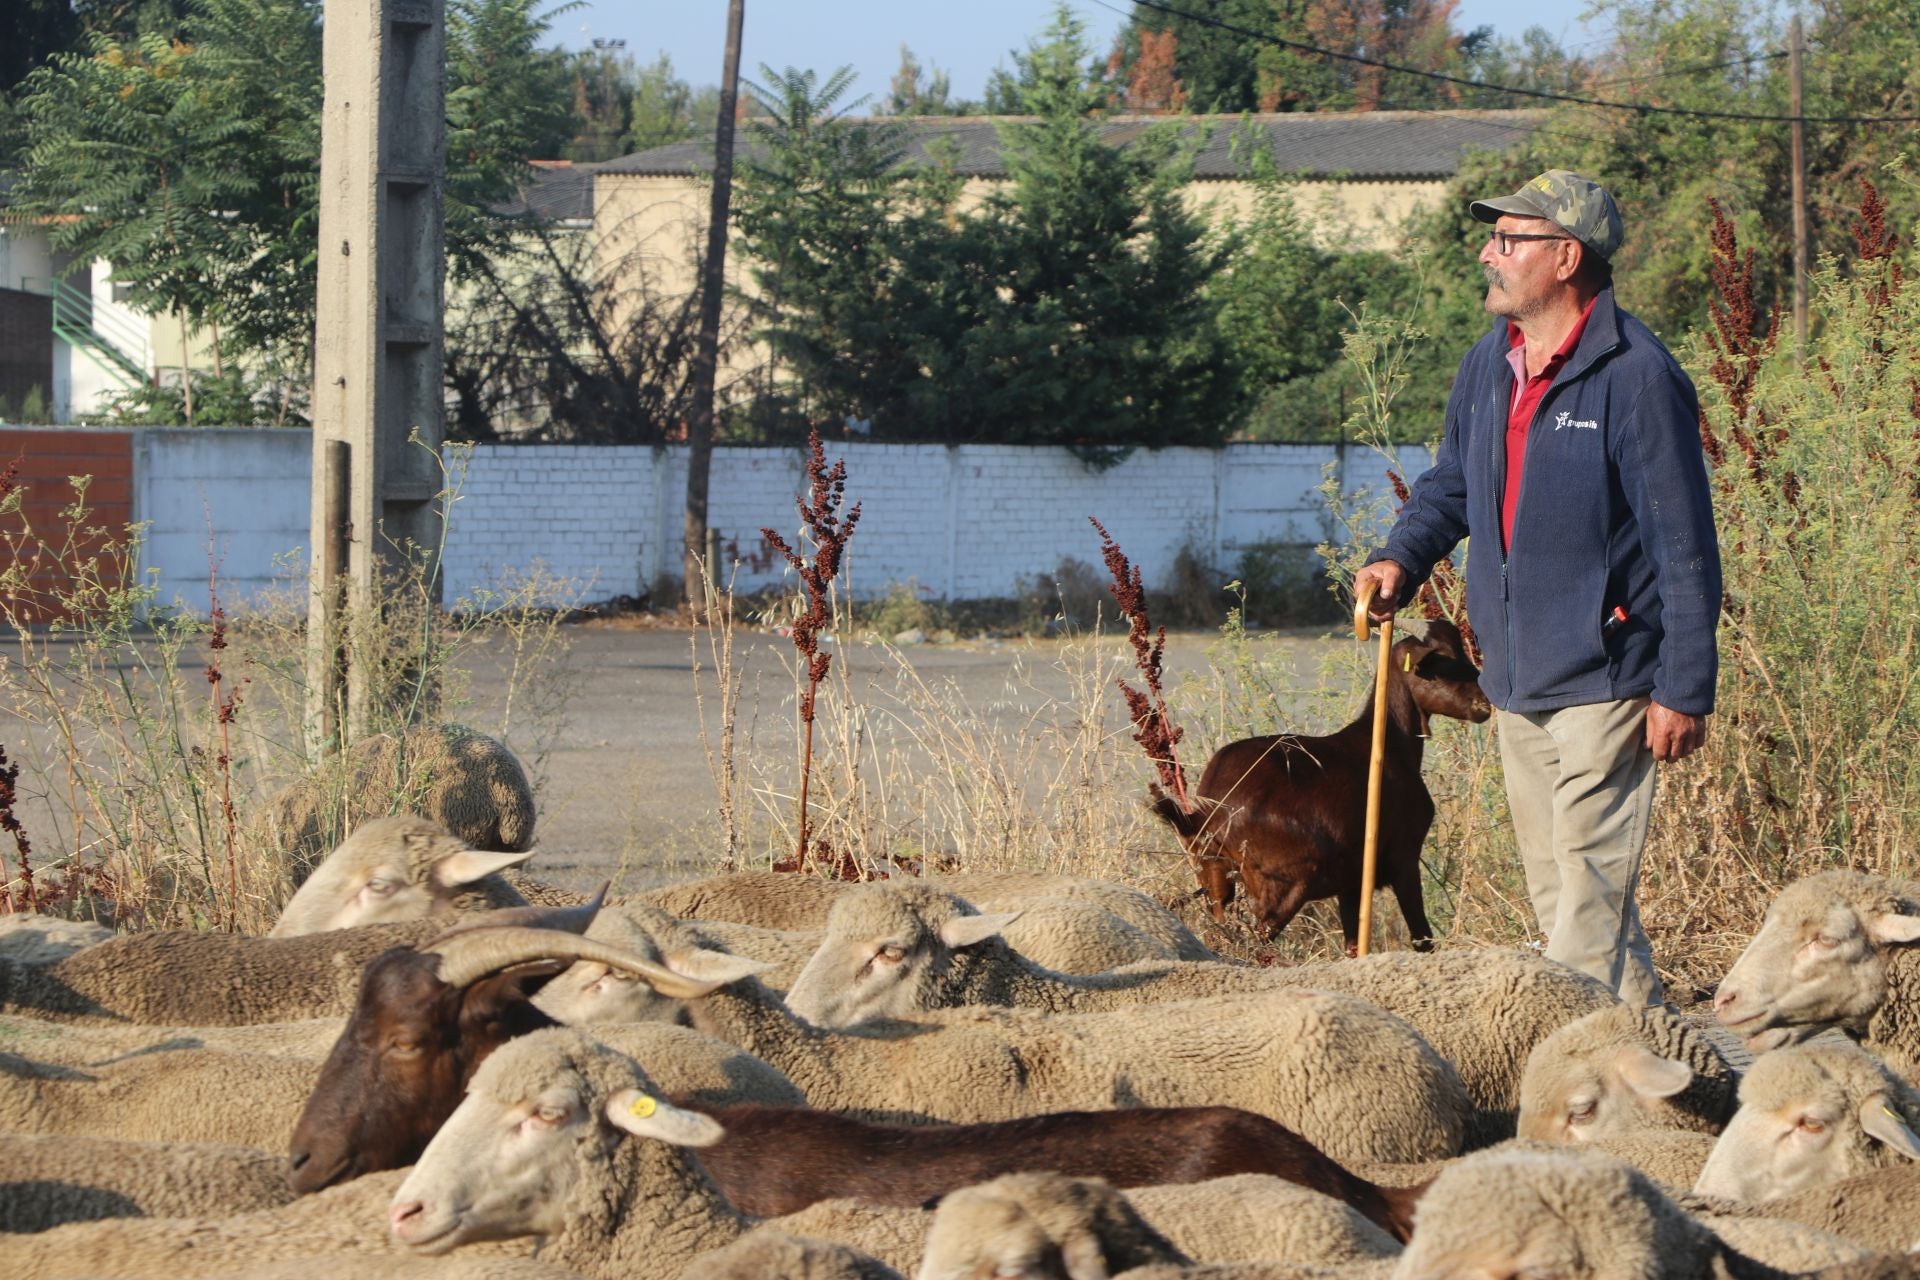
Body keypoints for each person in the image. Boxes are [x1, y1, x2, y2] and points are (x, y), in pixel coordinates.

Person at [1352, 169, 1720, 1006]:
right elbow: (1453, 483)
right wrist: (1400, 560)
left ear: (1565, 256)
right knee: (1569, 903)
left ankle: (1576, 1097)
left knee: (1582, 926)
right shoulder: (1491, 363)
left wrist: (1683, 687)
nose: (1489, 253)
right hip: (1516, 682)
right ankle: (1661, 1070)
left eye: (1508, 240)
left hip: (1610, 681)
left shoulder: (1638, 378)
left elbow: (1684, 544)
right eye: (1493, 238)